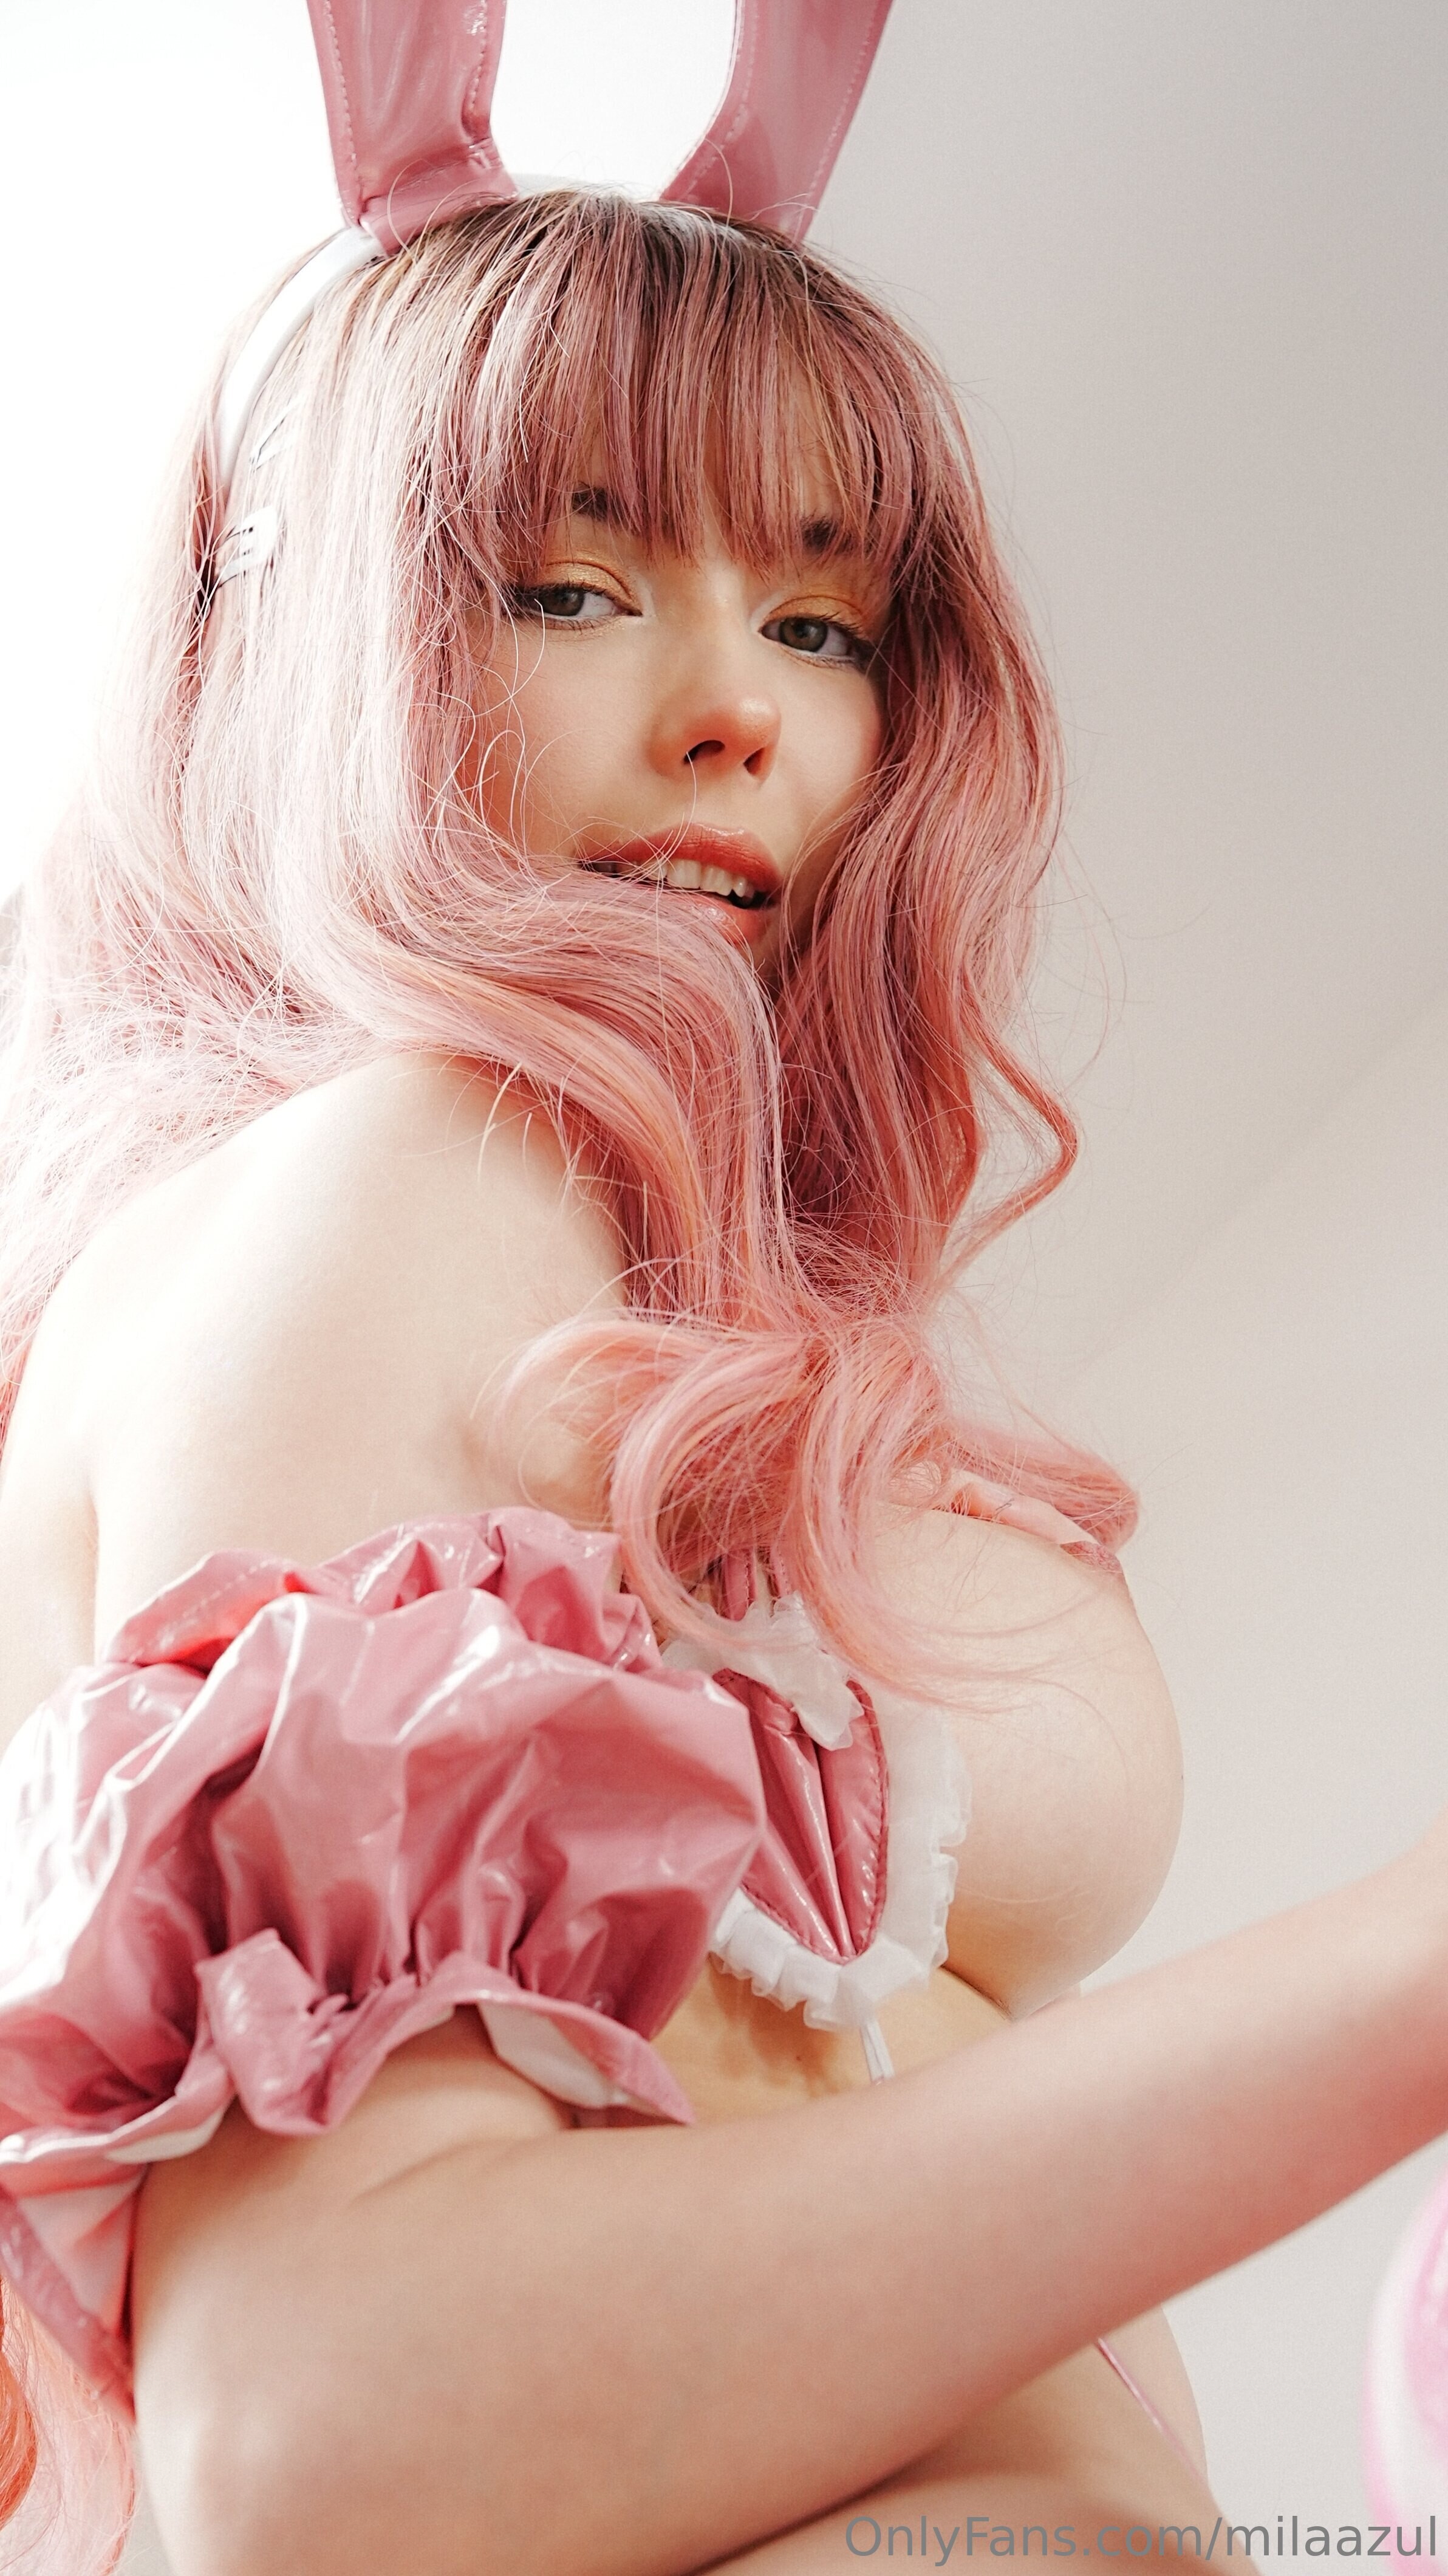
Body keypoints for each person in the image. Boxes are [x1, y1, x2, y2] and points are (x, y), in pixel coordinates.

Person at [1, 182, 1447, 2576]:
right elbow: (335, 2432)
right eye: (570, 587)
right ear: (297, 643)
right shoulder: (401, 1176)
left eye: (820, 622)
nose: (737, 710)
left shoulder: (604, 1275)